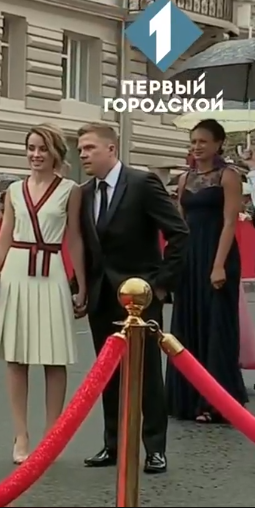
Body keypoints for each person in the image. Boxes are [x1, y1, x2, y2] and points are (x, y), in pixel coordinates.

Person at [75, 122, 188, 474]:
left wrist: (160, 285)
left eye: (89, 148)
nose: (83, 155)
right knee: (108, 373)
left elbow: (179, 234)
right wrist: (81, 288)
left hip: (140, 297)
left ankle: (154, 448)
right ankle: (113, 444)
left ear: (111, 149)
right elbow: (89, 247)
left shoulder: (142, 183)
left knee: (148, 373)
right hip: (102, 296)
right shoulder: (85, 193)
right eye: (80, 150)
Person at [0, 124, 86, 464]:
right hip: (16, 270)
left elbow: (74, 238)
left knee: (54, 358)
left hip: (51, 271)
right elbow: (4, 237)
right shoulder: (14, 190)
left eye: (42, 148)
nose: (36, 154)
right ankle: (21, 434)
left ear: (55, 152)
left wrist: (81, 283)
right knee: (16, 357)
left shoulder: (71, 190)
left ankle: (52, 435)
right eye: (31, 148)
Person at [168, 118, 248, 422]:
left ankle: (215, 403)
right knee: (187, 323)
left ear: (218, 144)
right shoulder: (185, 179)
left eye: (203, 141)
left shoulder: (229, 176)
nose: (197, 147)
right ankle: (187, 398)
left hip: (218, 254)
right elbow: (179, 222)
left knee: (216, 327)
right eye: (193, 142)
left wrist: (218, 265)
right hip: (190, 256)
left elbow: (229, 222)